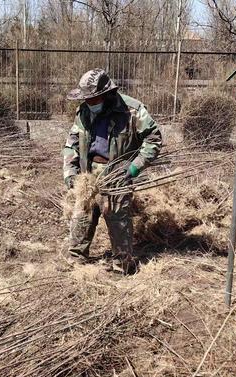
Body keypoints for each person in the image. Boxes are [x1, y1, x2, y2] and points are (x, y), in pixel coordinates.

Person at [63, 68, 162, 274]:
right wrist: (70, 174)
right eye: (87, 99)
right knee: (82, 216)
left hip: (117, 175)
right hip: (88, 175)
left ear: (106, 94)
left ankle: (121, 265)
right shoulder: (83, 112)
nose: (90, 103)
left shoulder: (131, 111)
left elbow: (154, 139)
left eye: (93, 99)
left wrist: (134, 167)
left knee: (118, 221)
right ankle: (76, 259)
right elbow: (71, 144)